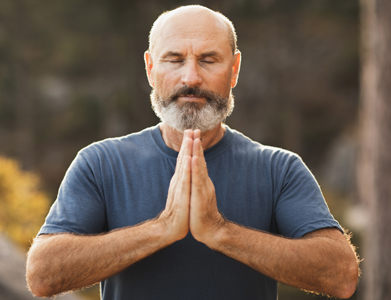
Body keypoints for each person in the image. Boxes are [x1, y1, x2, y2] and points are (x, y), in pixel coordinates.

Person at [26, 5, 359, 300]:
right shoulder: (99, 164)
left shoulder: (278, 169)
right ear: (150, 69)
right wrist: (161, 229)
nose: (191, 77)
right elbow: (42, 276)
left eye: (208, 60)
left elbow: (341, 277)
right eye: (174, 60)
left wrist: (220, 231)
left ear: (234, 70)